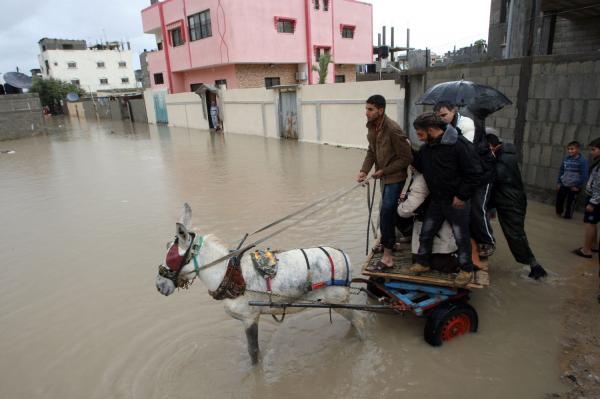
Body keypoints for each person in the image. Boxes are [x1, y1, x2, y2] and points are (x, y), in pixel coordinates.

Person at [410, 112, 482, 286]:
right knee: (427, 231)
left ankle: (466, 269)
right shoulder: (427, 147)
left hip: (456, 201)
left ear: (432, 130)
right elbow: (421, 165)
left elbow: (474, 173)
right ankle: (423, 262)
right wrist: (408, 151)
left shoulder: (459, 145)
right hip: (437, 198)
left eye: (420, 133)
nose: (418, 137)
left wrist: (462, 195)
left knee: (461, 236)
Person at [357, 94, 413, 271]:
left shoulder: (393, 129)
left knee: (386, 211)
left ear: (380, 110)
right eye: (366, 109)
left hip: (395, 177)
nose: (366, 112)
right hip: (383, 177)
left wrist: (384, 171)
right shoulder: (372, 126)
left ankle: (388, 257)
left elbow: (406, 158)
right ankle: (392, 242)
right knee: (385, 211)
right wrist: (364, 170)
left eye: (370, 109)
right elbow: (371, 152)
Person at [435, 101, 496, 258]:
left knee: (478, 208)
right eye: (438, 116)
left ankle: (487, 242)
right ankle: (468, 239)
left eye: (444, 115)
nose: (442, 119)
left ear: (454, 111)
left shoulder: (466, 124)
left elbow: (465, 151)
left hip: (483, 173)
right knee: (464, 209)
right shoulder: (446, 126)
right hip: (468, 173)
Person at [486, 132, 548, 279]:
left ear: (492, 147)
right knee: (513, 233)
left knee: (515, 234)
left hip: (510, 202)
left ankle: (535, 267)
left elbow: (495, 178)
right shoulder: (504, 154)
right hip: (506, 200)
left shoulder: (504, 159)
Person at [398, 166, 459, 273]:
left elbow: (407, 210)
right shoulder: (448, 172)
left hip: (437, 242)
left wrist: (399, 206)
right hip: (448, 232)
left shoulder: (421, 178)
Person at [572, 138, 600, 258]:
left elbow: (599, 186)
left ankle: (586, 250)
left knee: (589, 223)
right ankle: (593, 245)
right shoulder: (597, 162)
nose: (591, 152)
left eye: (593, 149)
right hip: (594, 198)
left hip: (595, 200)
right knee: (593, 222)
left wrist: (593, 203)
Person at [556, 141, 588, 219]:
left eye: (572, 149)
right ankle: (559, 212)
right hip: (564, 184)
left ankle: (568, 216)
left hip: (574, 186)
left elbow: (584, 175)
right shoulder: (566, 159)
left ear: (578, 149)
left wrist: (577, 186)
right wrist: (559, 182)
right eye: (569, 149)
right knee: (560, 199)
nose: (570, 151)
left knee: (571, 202)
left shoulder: (582, 161)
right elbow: (561, 170)